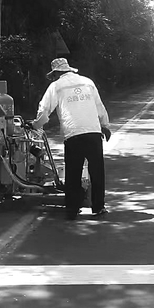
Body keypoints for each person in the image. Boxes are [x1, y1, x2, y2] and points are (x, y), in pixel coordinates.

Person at [29, 57, 112, 220]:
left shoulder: (56, 86)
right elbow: (99, 107)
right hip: (93, 132)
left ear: (56, 73)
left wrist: (35, 125)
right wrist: (105, 125)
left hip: (73, 134)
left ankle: (72, 210)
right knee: (97, 171)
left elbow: (44, 111)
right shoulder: (88, 82)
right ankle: (98, 207)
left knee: (73, 173)